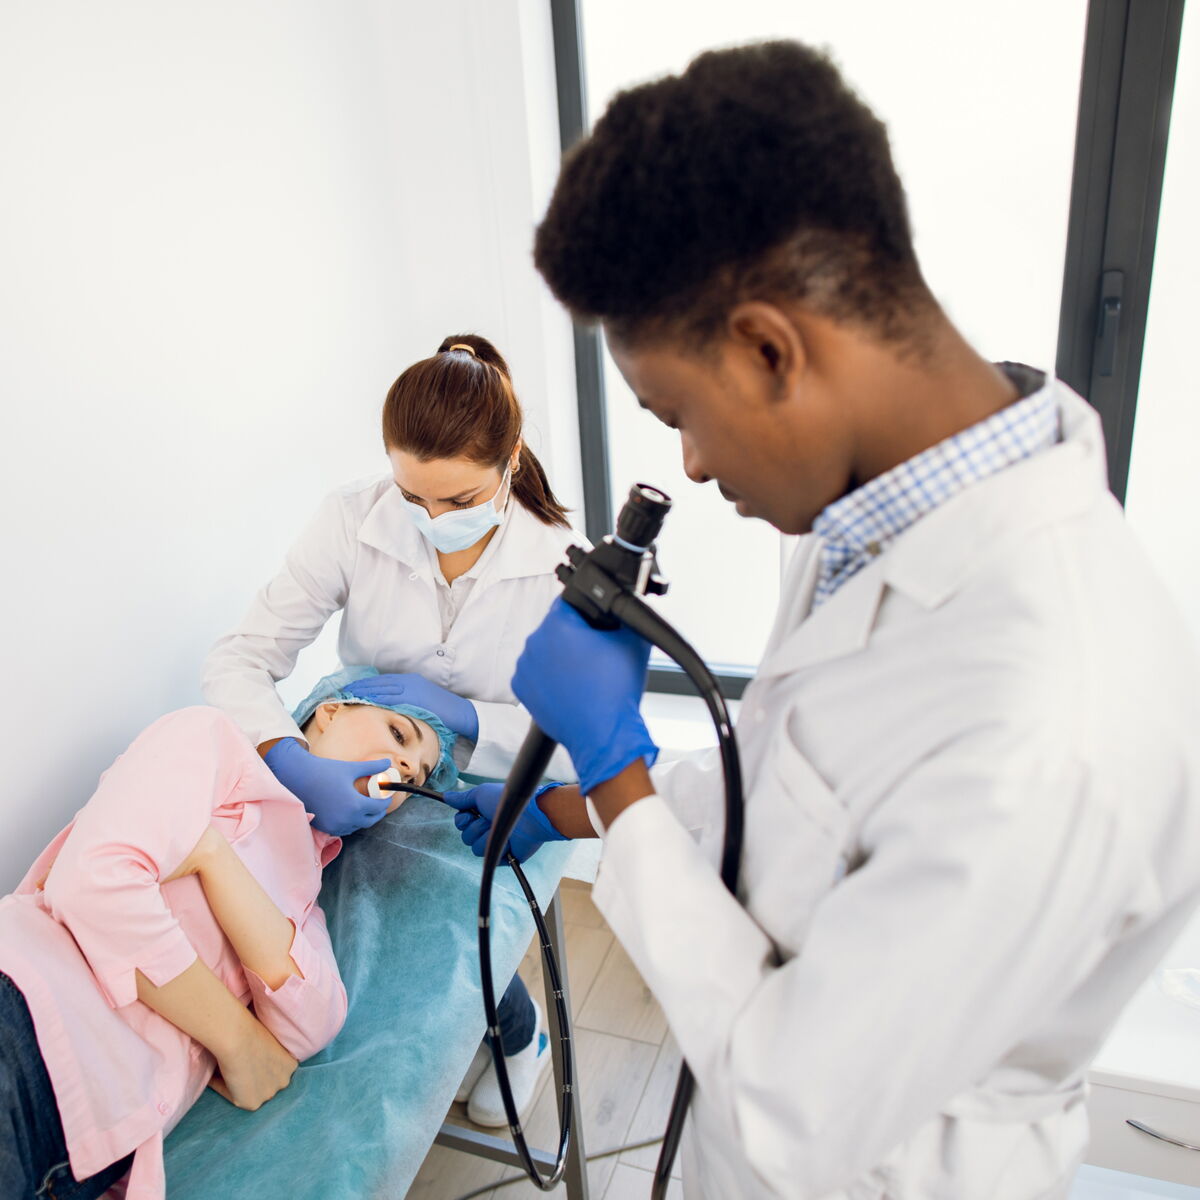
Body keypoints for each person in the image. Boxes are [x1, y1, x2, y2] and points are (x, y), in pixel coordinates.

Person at [454, 40, 1200, 1199]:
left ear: (768, 348)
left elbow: (792, 1110)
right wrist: (574, 801)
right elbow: (792, 784)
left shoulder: (1058, 714)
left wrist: (616, 767)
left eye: (679, 413)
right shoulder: (870, 517)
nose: (691, 466)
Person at [203, 333, 580, 1124]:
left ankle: (515, 1030)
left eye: (459, 501)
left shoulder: (562, 567)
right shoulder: (352, 517)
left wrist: (472, 718)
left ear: (512, 459)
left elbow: (584, 735)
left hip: (491, 775)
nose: (431, 519)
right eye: (414, 498)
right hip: (357, 752)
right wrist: (289, 758)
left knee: (439, 919)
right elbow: (240, 661)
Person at [0, 682, 455, 1200]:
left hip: (87, 1150)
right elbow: (93, 884)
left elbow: (311, 1026)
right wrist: (238, 1042)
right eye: (398, 734)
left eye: (414, 777)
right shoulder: (211, 741)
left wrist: (215, 857)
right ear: (329, 712)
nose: (401, 768)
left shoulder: (306, 888)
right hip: (28, 1020)